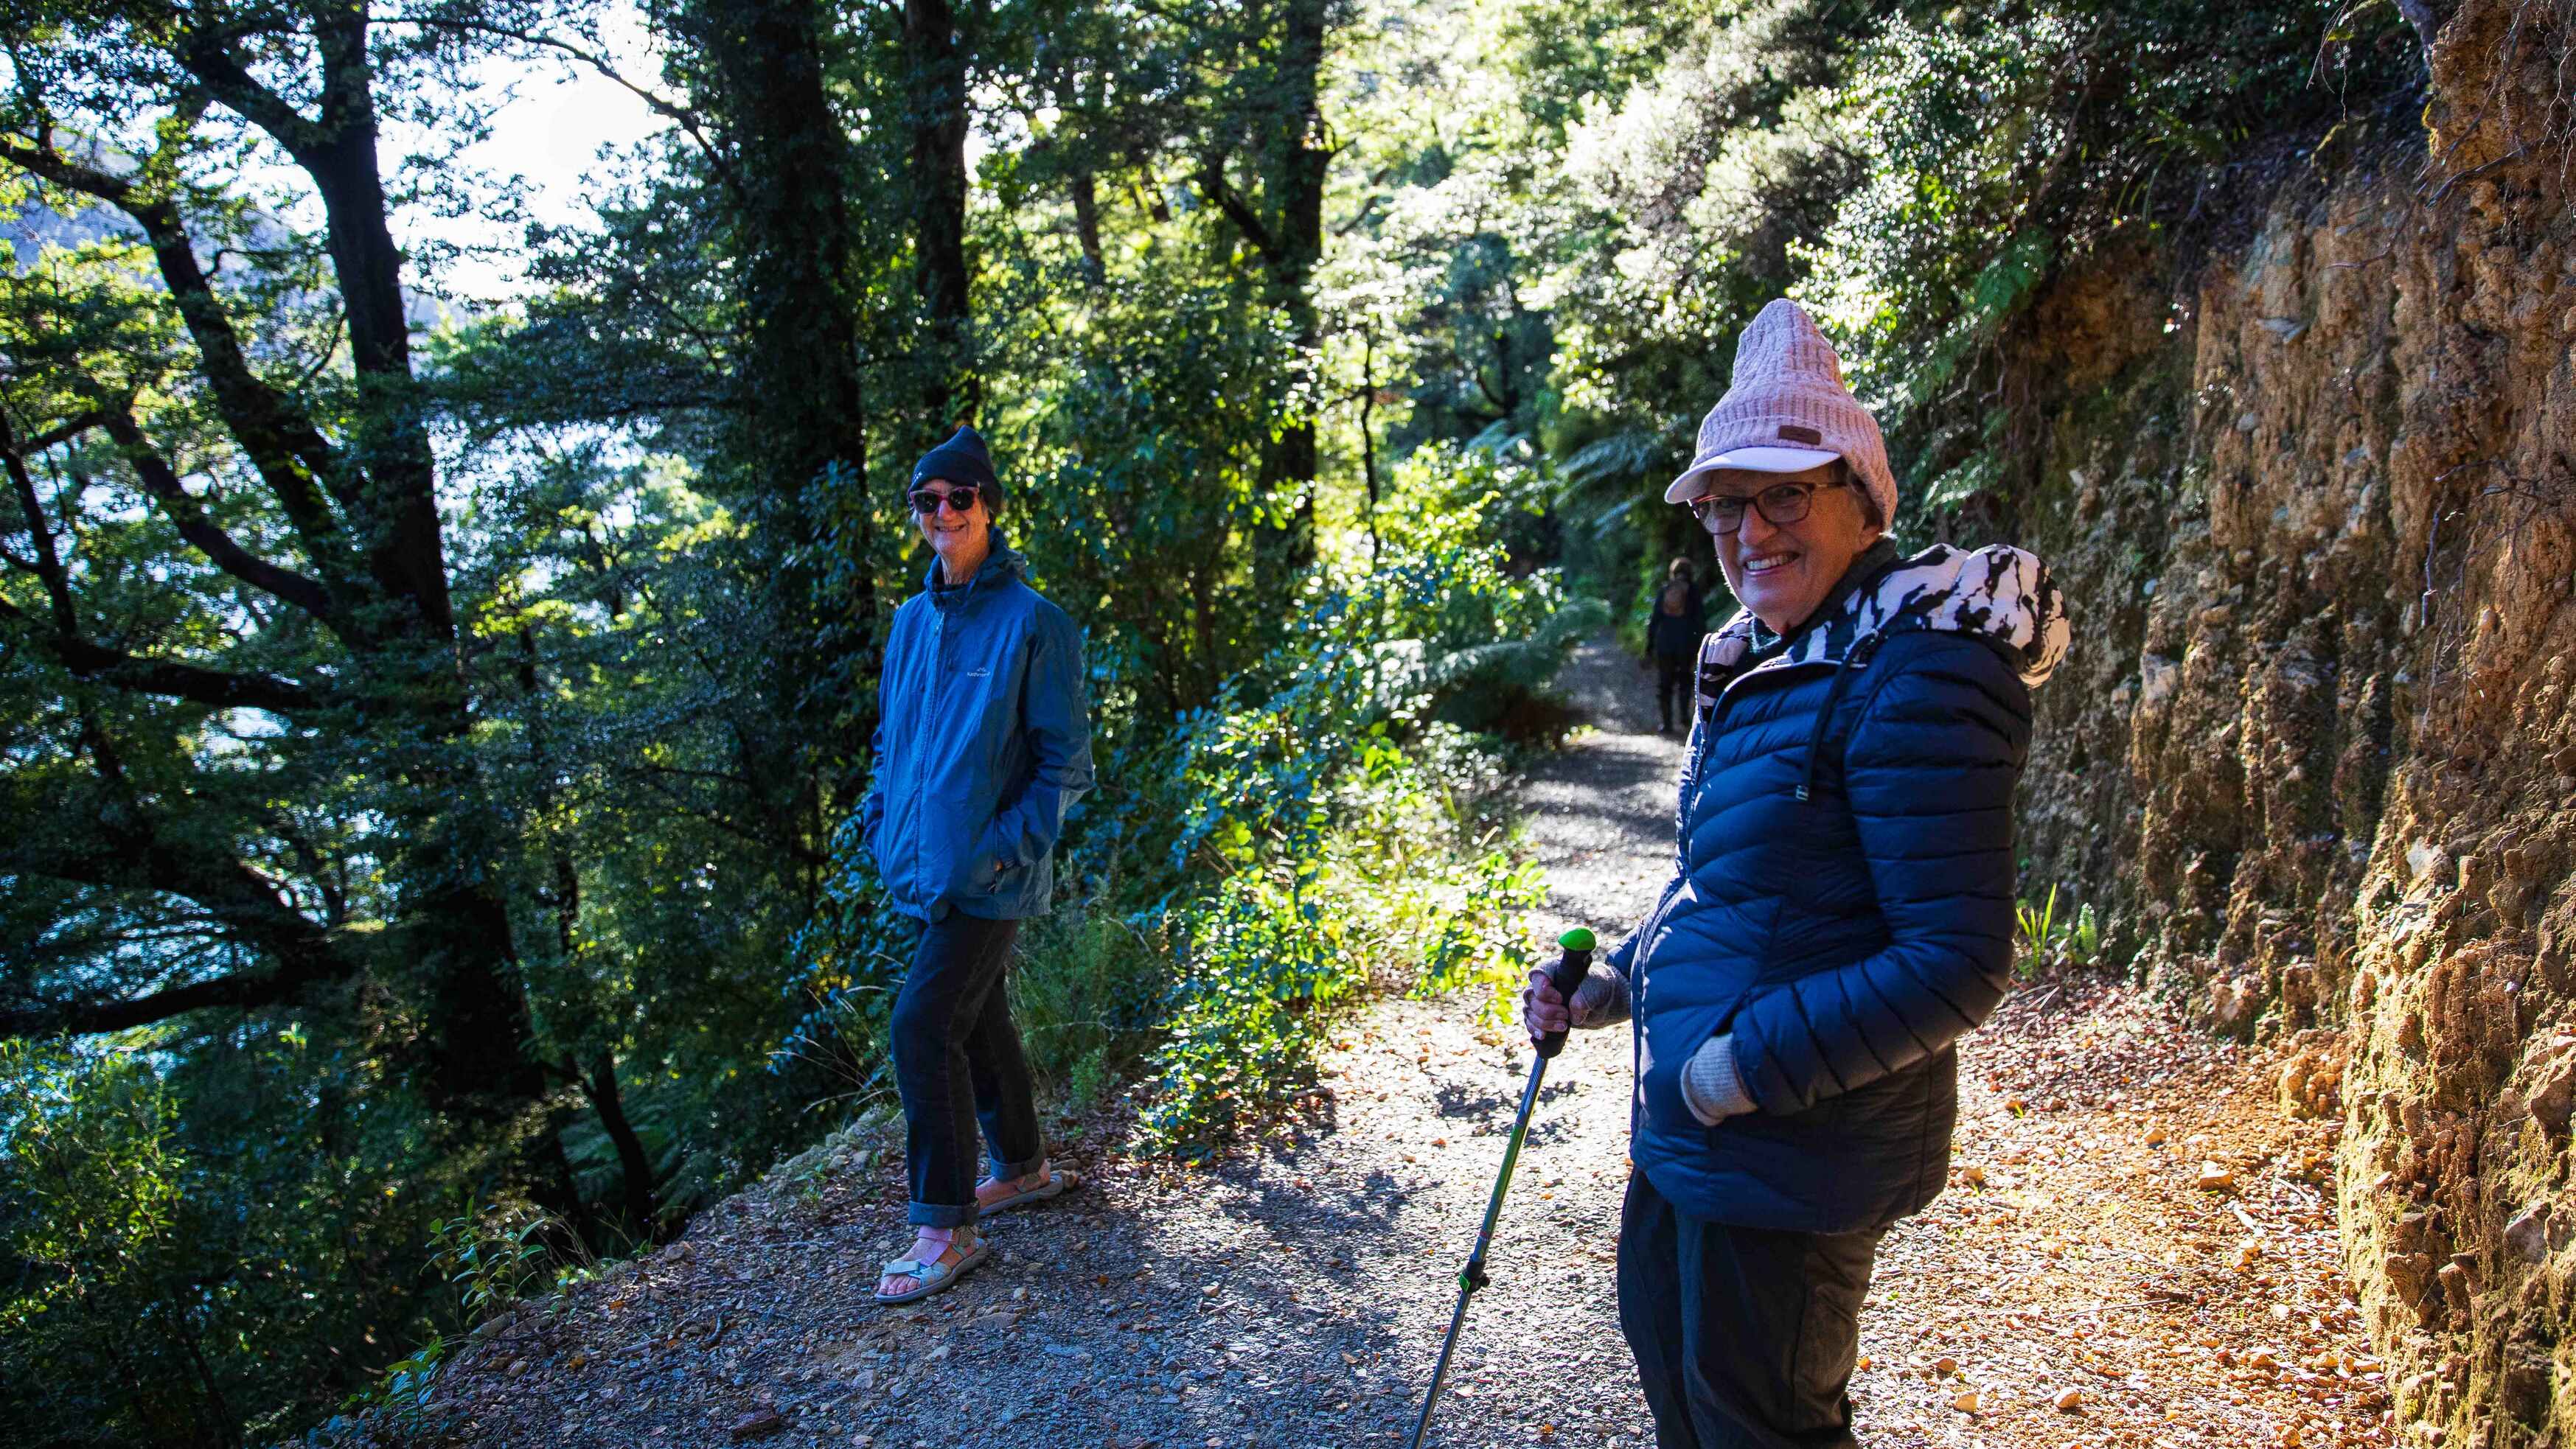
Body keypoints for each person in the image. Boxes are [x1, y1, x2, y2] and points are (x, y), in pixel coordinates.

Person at [1521, 300, 2069, 1447]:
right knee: (1680, 1375)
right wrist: (1613, 979)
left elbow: (1956, 962)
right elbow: (1730, 884)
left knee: (1762, 1420)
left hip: (1787, 1142)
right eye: (1728, 502)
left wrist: (1736, 1070)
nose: (1749, 529)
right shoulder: (1766, 658)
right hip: (1695, 1138)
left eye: (1784, 492)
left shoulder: (1914, 667)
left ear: (1861, 501)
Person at [864, 425, 1096, 1305]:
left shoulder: (1036, 623)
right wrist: (881, 823)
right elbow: (893, 741)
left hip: (990, 876)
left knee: (922, 1025)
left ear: (988, 507)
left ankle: (945, 1226)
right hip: (922, 869)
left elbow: (1063, 765)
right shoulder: (909, 623)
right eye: (927, 500)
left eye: (959, 498)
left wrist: (1003, 853)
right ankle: (1024, 1169)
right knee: (978, 1015)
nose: (943, 513)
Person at [1646, 557, 1707, 734]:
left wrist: (1649, 646)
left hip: (1665, 644)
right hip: (1686, 644)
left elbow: (1655, 620)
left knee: (1665, 684)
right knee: (1685, 680)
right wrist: (1700, 645)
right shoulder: (1694, 592)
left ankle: (1667, 724)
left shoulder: (1665, 590)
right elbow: (1700, 621)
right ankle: (1684, 718)